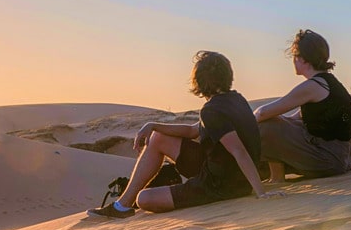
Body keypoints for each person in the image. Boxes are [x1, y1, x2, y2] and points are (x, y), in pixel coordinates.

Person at [87, 50, 280, 219]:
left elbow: (239, 150)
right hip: (222, 173)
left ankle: (127, 204)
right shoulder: (236, 99)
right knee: (158, 138)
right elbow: (192, 130)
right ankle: (122, 206)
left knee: (144, 199)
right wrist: (153, 125)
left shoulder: (212, 110)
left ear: (200, 81)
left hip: (219, 186)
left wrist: (260, 193)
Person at [253, 29, 351, 182]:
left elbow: (263, 113)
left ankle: (277, 179)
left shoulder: (313, 86)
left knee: (265, 126)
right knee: (275, 122)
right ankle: (271, 174)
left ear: (303, 59)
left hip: (330, 160)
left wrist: (247, 126)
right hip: (342, 158)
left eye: (295, 56)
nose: (293, 60)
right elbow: (292, 120)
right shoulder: (328, 82)